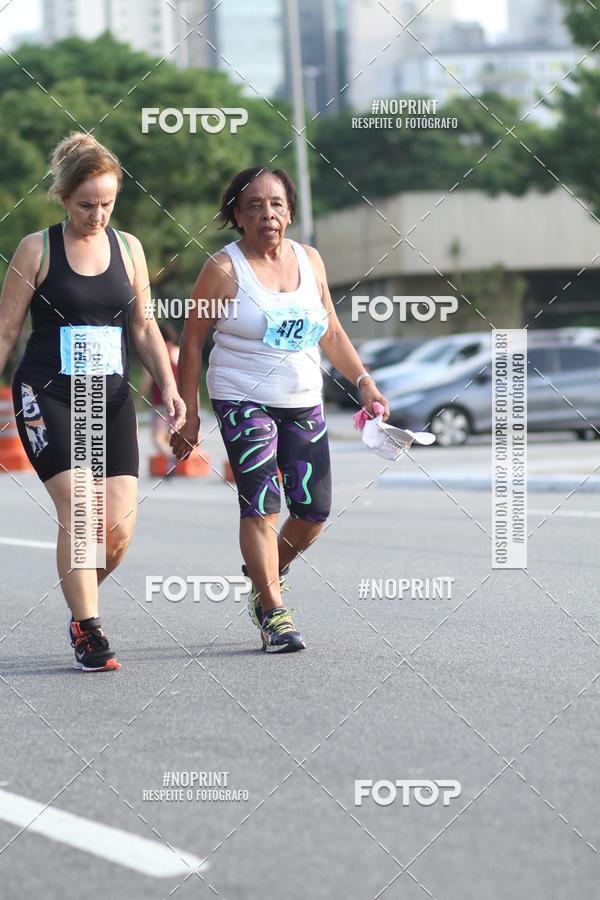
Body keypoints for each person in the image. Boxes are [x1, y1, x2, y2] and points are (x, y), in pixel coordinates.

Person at [171, 166, 388, 653]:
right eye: (254, 206)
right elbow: (192, 340)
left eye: (276, 204)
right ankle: (273, 612)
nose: (267, 214)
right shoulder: (224, 270)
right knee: (262, 502)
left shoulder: (310, 260)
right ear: (237, 216)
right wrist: (189, 414)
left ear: (289, 212)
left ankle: (265, 574)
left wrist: (364, 382)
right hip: (242, 396)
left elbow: (331, 331)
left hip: (302, 398)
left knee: (313, 512)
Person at [0, 132, 185, 671]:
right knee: (81, 511)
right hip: (48, 393)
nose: (97, 215)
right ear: (63, 198)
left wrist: (171, 388)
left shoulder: (129, 249)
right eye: (86, 205)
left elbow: (143, 327)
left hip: (110, 397)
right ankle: (89, 628)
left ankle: (78, 593)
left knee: (117, 532)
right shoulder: (37, 249)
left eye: (107, 203)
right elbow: (6, 331)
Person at [140, 322, 180, 475]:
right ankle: (171, 466)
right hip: (177, 401)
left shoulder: (154, 353)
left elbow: (147, 379)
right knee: (170, 436)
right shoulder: (177, 352)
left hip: (160, 402)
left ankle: (170, 458)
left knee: (157, 438)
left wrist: (140, 397)